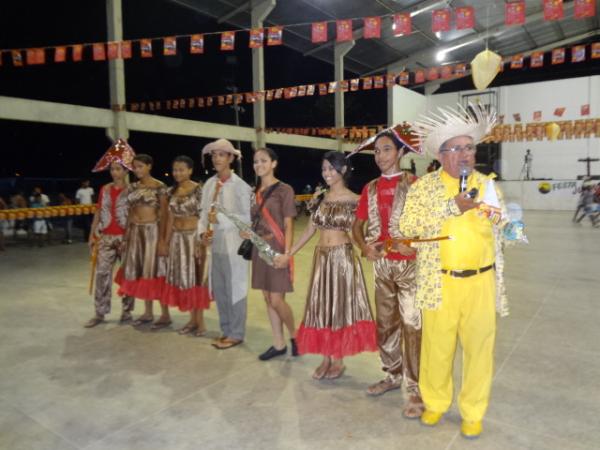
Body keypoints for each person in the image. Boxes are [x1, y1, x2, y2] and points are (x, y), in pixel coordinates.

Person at [400, 103, 509, 439]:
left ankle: (473, 411)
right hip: (440, 281)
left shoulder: (488, 185)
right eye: (458, 148)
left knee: (480, 349)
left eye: (470, 147)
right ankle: (435, 403)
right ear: (443, 154)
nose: (466, 154)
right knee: (437, 346)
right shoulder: (424, 187)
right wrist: (453, 207)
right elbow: (408, 227)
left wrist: (503, 220)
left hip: (481, 281)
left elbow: (512, 230)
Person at [280, 151, 376, 380]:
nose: (327, 173)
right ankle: (325, 357)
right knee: (321, 307)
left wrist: (369, 248)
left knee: (338, 308)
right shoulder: (321, 197)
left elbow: (359, 232)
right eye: (324, 169)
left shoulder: (355, 199)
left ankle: (338, 360)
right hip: (321, 258)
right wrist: (289, 253)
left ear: (343, 170)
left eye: (331, 168)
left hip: (342, 259)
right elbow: (311, 229)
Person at [351, 127, 424, 418]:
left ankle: (415, 385)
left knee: (412, 324)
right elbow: (357, 226)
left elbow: (430, 225)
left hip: (408, 266)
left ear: (401, 152)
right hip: (381, 265)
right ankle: (393, 374)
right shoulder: (369, 188)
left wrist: (414, 244)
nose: (381, 156)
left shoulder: (415, 184)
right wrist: (363, 247)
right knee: (385, 324)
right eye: (377, 151)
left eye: (387, 149)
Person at [244, 148, 298, 360]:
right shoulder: (254, 192)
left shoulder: (285, 190)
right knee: (267, 298)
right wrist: (247, 232)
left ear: (274, 163)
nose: (258, 165)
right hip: (259, 248)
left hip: (277, 247)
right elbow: (256, 222)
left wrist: (287, 253)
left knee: (277, 299)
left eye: (263, 161)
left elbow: (288, 223)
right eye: (256, 161)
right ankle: (278, 343)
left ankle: (295, 335)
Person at [198, 139, 252, 350]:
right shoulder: (210, 184)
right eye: (214, 155)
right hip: (216, 245)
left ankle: (236, 333)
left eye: (221, 155)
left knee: (235, 289)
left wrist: (220, 219)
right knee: (220, 289)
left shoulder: (240, 186)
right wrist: (202, 233)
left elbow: (246, 219)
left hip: (233, 245)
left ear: (230, 158)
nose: (217, 158)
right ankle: (226, 329)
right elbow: (203, 213)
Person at [115, 153, 171, 330]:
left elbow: (164, 214)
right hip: (135, 233)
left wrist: (163, 240)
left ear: (149, 166)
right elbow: (130, 213)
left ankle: (165, 314)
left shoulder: (159, 187)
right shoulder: (132, 188)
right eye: (135, 167)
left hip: (152, 232)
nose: (137, 170)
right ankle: (148, 312)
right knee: (142, 271)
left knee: (156, 270)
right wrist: (126, 237)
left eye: (140, 166)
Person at [84, 139, 136, 328]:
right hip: (106, 237)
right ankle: (100, 312)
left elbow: (135, 216)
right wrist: (91, 236)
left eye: (118, 169)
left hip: (125, 238)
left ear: (126, 171)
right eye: (112, 169)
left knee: (127, 275)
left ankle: (127, 311)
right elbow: (98, 212)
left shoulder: (132, 191)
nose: (115, 172)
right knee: (102, 274)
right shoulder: (104, 190)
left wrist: (129, 238)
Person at [161, 155, 211, 336]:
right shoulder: (170, 192)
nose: (177, 173)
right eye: (175, 169)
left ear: (190, 170)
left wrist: (201, 240)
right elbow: (170, 219)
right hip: (177, 239)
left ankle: (201, 322)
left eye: (181, 169)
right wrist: (165, 242)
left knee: (197, 279)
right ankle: (192, 320)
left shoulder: (199, 190)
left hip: (194, 239)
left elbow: (204, 217)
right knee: (185, 279)